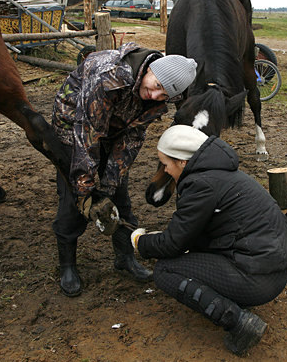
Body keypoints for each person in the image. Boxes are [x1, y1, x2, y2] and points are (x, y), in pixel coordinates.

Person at [131, 125, 287, 355]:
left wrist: (140, 242)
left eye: (166, 164)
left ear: (183, 162)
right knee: (191, 256)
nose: (165, 171)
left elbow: (172, 244)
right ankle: (237, 301)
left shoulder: (201, 185)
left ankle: (239, 322)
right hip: (275, 266)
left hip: (259, 279)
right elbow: (195, 236)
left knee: (165, 271)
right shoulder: (221, 173)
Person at [51, 42, 198, 297]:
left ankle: (125, 258)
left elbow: (131, 139)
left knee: (120, 198)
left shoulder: (153, 96)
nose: (155, 96)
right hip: (73, 126)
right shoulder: (108, 76)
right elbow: (87, 134)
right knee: (74, 199)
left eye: (164, 96)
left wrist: (108, 187)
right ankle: (67, 266)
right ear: (151, 69)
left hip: (113, 130)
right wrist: (88, 191)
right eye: (157, 87)